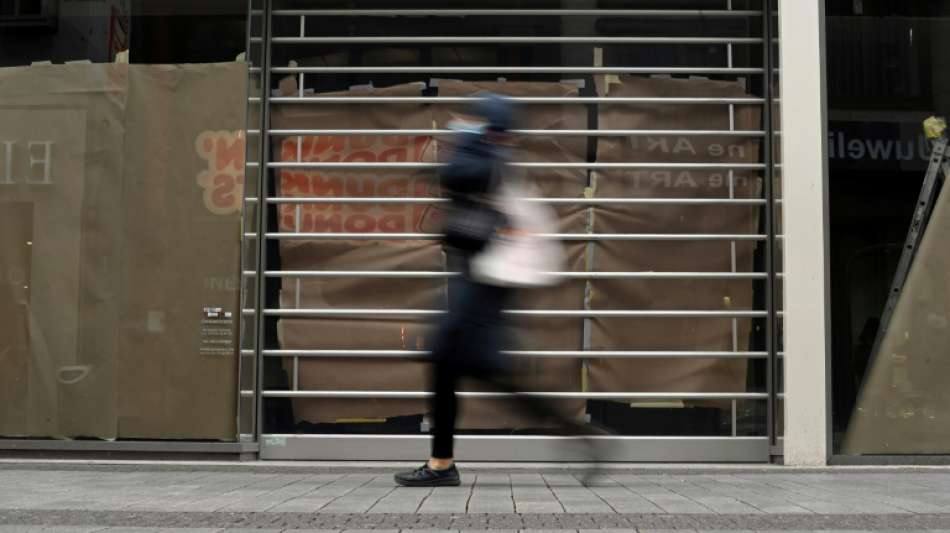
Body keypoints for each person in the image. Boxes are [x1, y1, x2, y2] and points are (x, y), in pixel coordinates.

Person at [394, 95, 597, 488]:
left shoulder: (491, 161)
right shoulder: (490, 158)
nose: (463, 124)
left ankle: (578, 435)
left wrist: (468, 138)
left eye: (475, 120)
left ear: (491, 128)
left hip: (489, 282)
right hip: (477, 278)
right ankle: (441, 464)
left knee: (477, 367)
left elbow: (456, 174)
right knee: (449, 365)